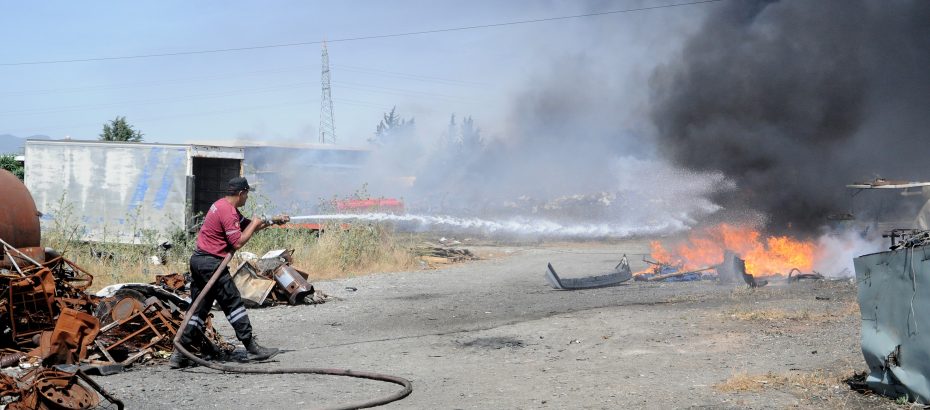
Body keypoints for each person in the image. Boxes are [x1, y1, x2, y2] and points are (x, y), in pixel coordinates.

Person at [170, 177, 281, 368]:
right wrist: (254, 224)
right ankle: (251, 347)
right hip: (211, 263)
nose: (247, 198)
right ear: (241, 193)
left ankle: (179, 355)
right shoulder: (227, 212)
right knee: (232, 302)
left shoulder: (222, 205)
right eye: (246, 194)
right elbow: (237, 242)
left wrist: (272, 221)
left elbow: (247, 226)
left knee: (199, 309)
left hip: (200, 261)